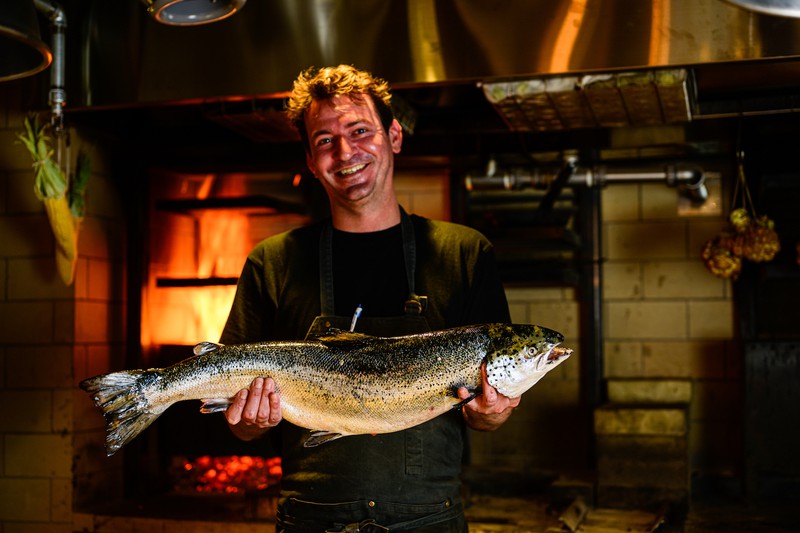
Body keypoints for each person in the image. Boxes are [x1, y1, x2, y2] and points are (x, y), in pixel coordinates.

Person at [220, 64, 521, 532]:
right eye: (324, 140)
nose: (345, 152)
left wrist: (491, 414)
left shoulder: (464, 254)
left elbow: (485, 417)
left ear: (394, 136)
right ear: (309, 158)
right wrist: (251, 420)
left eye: (360, 131)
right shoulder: (273, 263)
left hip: (429, 521)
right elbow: (241, 425)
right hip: (311, 521)